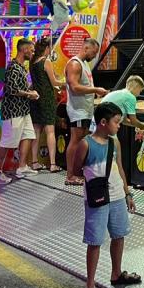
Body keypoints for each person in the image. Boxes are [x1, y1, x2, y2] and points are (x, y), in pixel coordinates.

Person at [76, 101, 140, 288]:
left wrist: (127, 193)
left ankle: (116, 274)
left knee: (118, 235)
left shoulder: (115, 143)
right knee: (95, 241)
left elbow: (119, 168)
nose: (119, 126)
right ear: (103, 122)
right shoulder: (86, 144)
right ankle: (90, 285)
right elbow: (76, 168)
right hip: (97, 198)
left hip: (117, 196)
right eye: (116, 122)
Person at [0, 39, 40, 185]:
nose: (33, 53)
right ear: (24, 50)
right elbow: (12, 90)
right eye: (31, 50)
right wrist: (30, 94)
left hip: (23, 110)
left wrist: (29, 92)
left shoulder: (21, 68)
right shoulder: (13, 67)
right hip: (13, 112)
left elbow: (11, 87)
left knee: (28, 135)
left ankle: (22, 167)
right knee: (7, 143)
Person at [64, 38, 109, 186]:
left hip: (86, 109)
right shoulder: (75, 64)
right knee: (75, 140)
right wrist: (95, 89)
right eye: (93, 53)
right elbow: (75, 87)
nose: (94, 56)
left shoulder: (84, 64)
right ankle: (70, 175)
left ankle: (77, 172)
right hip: (78, 110)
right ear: (86, 48)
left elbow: (84, 86)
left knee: (82, 141)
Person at [29, 37, 64, 172]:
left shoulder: (33, 62)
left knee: (36, 131)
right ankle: (53, 164)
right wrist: (67, 83)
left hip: (35, 99)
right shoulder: (46, 61)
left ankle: (34, 162)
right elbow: (54, 82)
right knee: (50, 131)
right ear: (47, 48)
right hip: (47, 99)